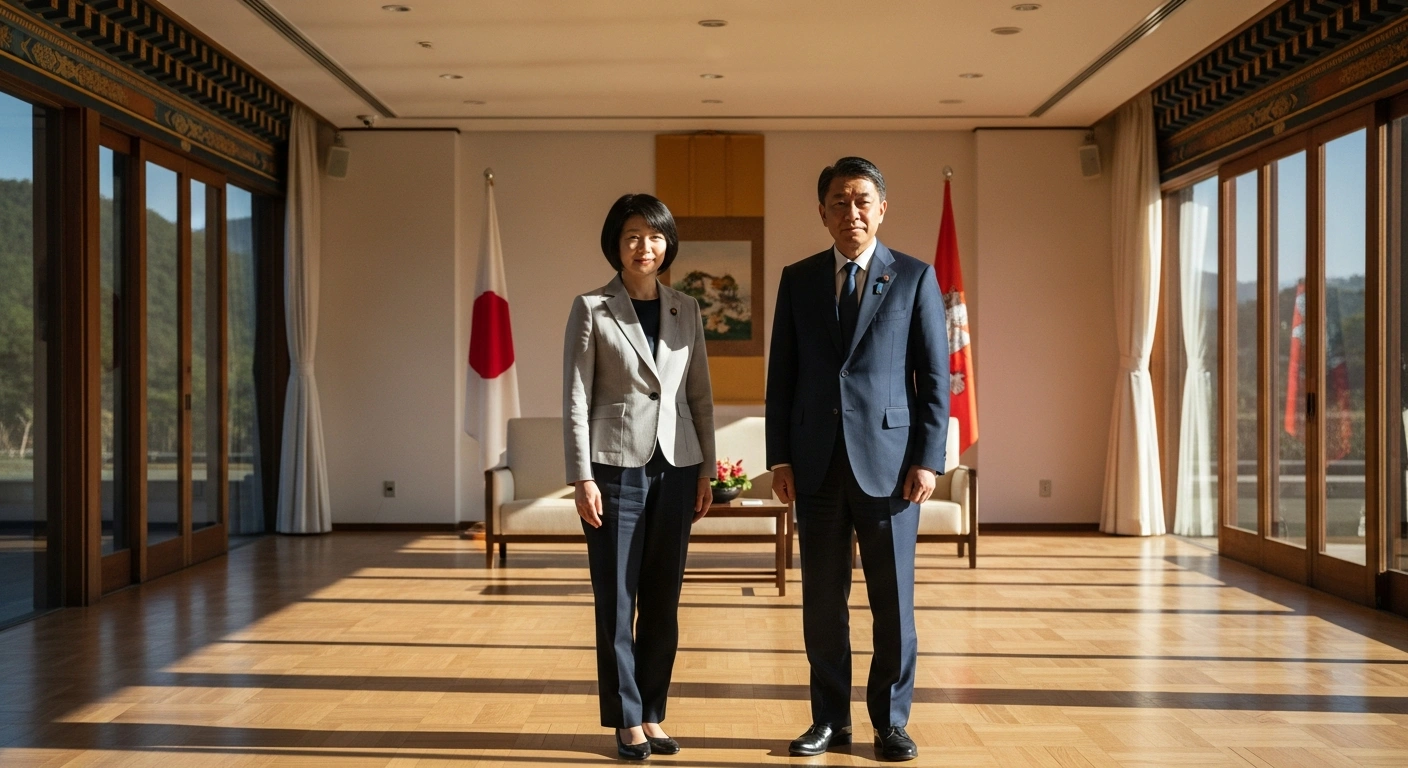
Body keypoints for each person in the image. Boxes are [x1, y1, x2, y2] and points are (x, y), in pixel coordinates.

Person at [766, 157, 950, 762]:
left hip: (893, 468)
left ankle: (890, 722)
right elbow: (782, 378)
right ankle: (829, 721)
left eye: (862, 199)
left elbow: (935, 379)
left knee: (892, 602)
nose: (852, 212)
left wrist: (927, 457)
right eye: (839, 202)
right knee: (823, 601)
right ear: (822, 212)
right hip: (816, 466)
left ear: (882, 207)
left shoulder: (915, 278)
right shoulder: (798, 280)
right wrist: (780, 458)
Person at [563, 193, 715, 761]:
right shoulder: (591, 308)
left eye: (653, 236)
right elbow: (576, 397)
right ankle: (625, 719)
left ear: (667, 243)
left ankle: (653, 713)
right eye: (631, 236)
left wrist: (704, 468)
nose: (643, 246)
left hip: (676, 468)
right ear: (615, 243)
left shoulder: (687, 308)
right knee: (615, 598)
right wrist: (581, 477)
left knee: (663, 600)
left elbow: (698, 394)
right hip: (612, 469)